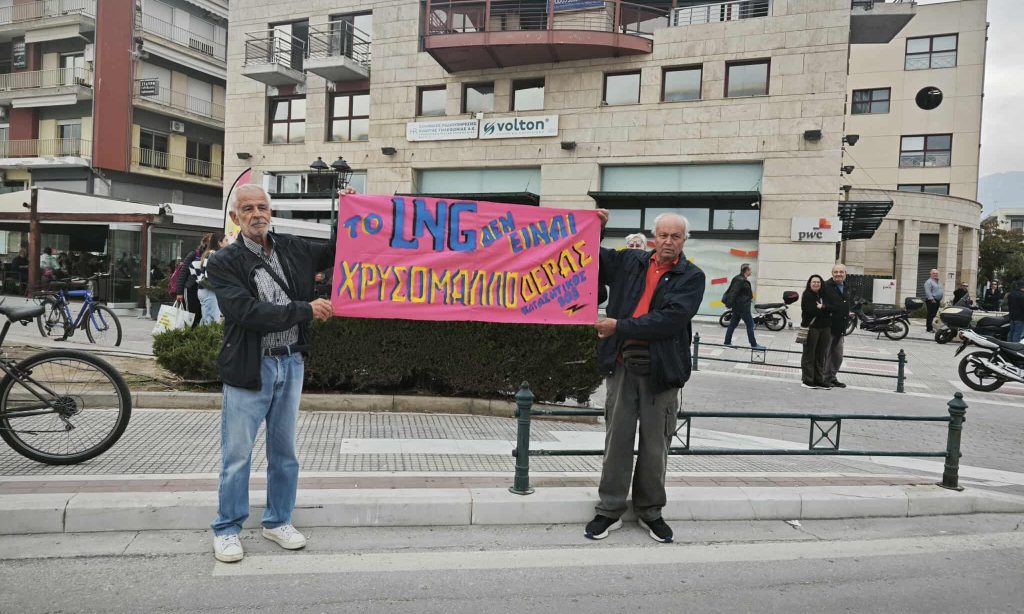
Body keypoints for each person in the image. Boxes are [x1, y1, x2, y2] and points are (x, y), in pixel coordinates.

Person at [206, 184, 344, 563]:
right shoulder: (224, 261)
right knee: (237, 455)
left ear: (271, 211)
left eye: (262, 207)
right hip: (251, 366)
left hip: (291, 362)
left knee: (285, 453)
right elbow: (245, 312)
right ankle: (227, 528)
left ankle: (278, 520)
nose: (257, 214)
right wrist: (305, 310)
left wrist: (350, 210)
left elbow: (336, 251)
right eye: (248, 208)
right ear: (235, 217)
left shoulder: (292, 247)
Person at [586, 210, 705, 544]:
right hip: (622, 366)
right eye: (663, 235)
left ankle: (650, 511)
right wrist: (596, 227)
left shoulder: (692, 276)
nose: (668, 242)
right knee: (617, 442)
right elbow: (591, 256)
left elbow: (670, 320)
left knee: (656, 446)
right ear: (654, 237)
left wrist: (619, 327)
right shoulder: (630, 261)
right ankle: (609, 509)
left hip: (661, 372)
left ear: (684, 240)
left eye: (675, 236)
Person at [821, 263, 850, 388]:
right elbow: (821, 304)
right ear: (832, 273)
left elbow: (844, 303)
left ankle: (831, 377)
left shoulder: (846, 286)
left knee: (838, 356)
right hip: (828, 326)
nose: (838, 274)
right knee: (825, 354)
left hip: (841, 327)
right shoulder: (825, 286)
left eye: (841, 272)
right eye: (836, 272)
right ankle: (823, 378)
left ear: (845, 274)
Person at [723, 264, 765, 350]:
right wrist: (729, 304)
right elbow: (733, 292)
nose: (751, 271)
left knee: (732, 325)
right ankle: (754, 344)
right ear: (746, 270)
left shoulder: (740, 279)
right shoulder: (740, 280)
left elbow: (741, 293)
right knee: (750, 324)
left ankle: (727, 342)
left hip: (739, 306)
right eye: (750, 270)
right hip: (742, 307)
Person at [800, 274, 832, 390]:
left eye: (818, 282)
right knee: (809, 354)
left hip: (825, 328)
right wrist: (825, 310)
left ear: (821, 284)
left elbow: (832, 308)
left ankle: (819, 380)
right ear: (810, 283)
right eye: (814, 282)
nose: (816, 284)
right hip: (812, 328)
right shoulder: (807, 295)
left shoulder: (824, 294)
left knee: (821, 355)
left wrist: (823, 307)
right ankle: (807, 380)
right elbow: (811, 311)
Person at [194, 234, 228, 325]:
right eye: (226, 240)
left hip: (205, 289)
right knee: (211, 322)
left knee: (206, 320)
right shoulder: (215, 255)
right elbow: (214, 274)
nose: (228, 243)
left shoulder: (209, 253)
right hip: (210, 290)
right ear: (219, 243)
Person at [176, 238, 206, 328]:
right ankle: (189, 334)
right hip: (191, 289)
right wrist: (179, 292)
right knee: (190, 315)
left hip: (203, 290)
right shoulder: (194, 254)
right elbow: (183, 273)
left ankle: (196, 334)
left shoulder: (212, 255)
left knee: (200, 316)